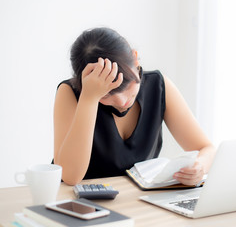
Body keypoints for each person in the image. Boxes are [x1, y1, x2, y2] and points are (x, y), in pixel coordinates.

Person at [53, 27, 215, 186]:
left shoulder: (158, 85)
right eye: (106, 94)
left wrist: (199, 167)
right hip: (83, 206)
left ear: (135, 59)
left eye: (128, 85)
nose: (122, 101)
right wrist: (89, 98)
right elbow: (70, 177)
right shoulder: (70, 93)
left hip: (138, 203)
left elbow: (206, 148)